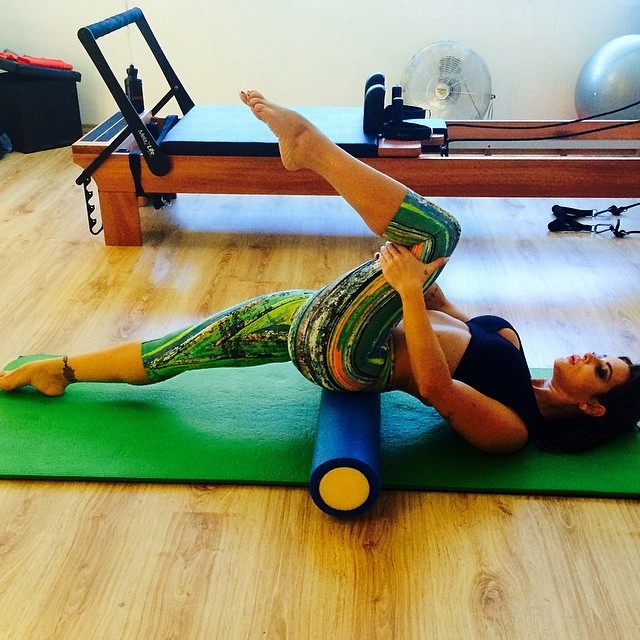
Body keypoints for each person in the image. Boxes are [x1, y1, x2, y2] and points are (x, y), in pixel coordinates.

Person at [1, 91, 638, 455]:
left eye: (601, 371)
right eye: (602, 356)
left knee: (441, 232)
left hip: (350, 356)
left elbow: (438, 388)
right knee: (182, 347)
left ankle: (310, 150)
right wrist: (418, 279)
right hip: (330, 318)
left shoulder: (512, 430)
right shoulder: (514, 352)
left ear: (591, 406)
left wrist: (406, 292)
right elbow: (446, 311)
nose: (589, 355)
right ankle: (62, 369)